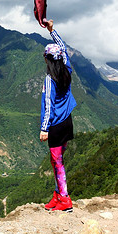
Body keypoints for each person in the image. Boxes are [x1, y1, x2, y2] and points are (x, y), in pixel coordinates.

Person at [39, 19, 77, 212]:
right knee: (58, 160)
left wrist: (44, 128)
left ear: (47, 60)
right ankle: (57, 194)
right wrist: (52, 30)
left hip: (54, 126)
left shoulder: (49, 79)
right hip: (67, 122)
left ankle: (64, 199)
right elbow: (63, 48)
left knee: (58, 163)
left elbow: (48, 105)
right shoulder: (66, 70)